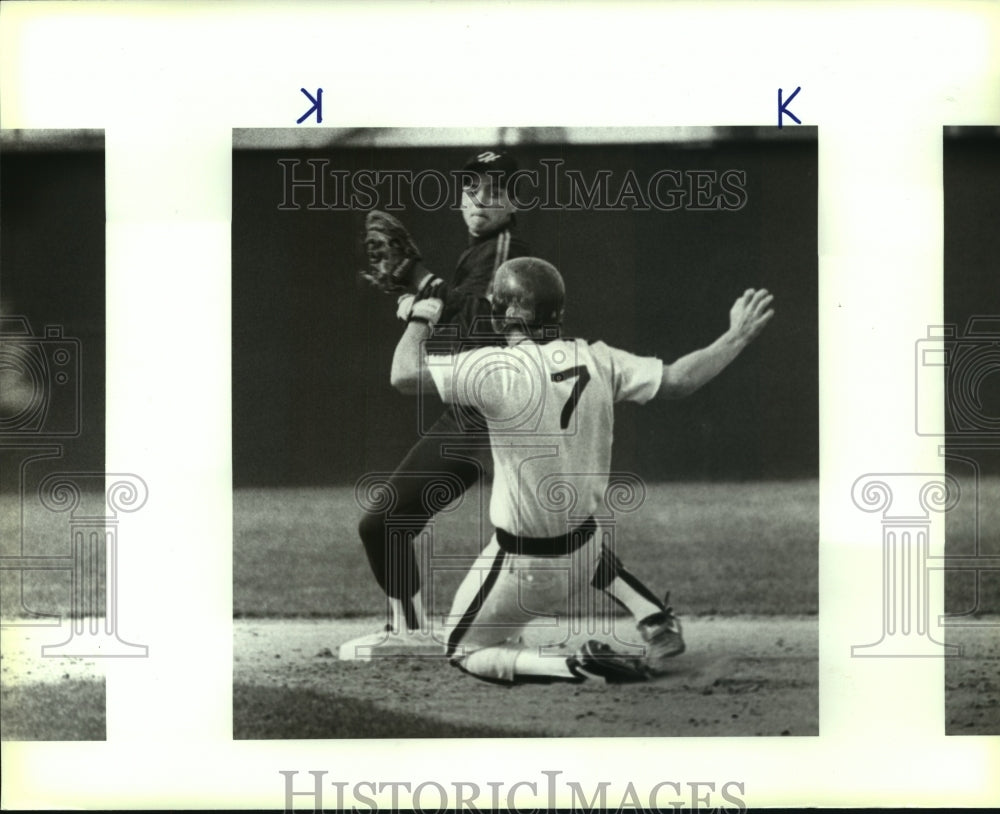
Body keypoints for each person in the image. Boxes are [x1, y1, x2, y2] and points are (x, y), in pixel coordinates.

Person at [388, 257, 774, 683]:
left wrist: (420, 316)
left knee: (461, 650)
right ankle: (652, 615)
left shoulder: (495, 367)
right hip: (587, 555)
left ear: (507, 315)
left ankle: (575, 666)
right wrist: (736, 335)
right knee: (580, 533)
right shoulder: (600, 359)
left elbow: (403, 375)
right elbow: (680, 379)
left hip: (526, 568)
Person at [341, 150, 531, 659]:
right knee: (384, 523)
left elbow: (481, 315)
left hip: (499, 414)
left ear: (514, 199)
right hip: (472, 413)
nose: (479, 198)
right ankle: (412, 631)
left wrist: (423, 287)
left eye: (494, 189)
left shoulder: (505, 247)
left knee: (533, 531)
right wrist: (424, 296)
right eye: (472, 188)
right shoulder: (477, 252)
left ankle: (640, 613)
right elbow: (466, 315)